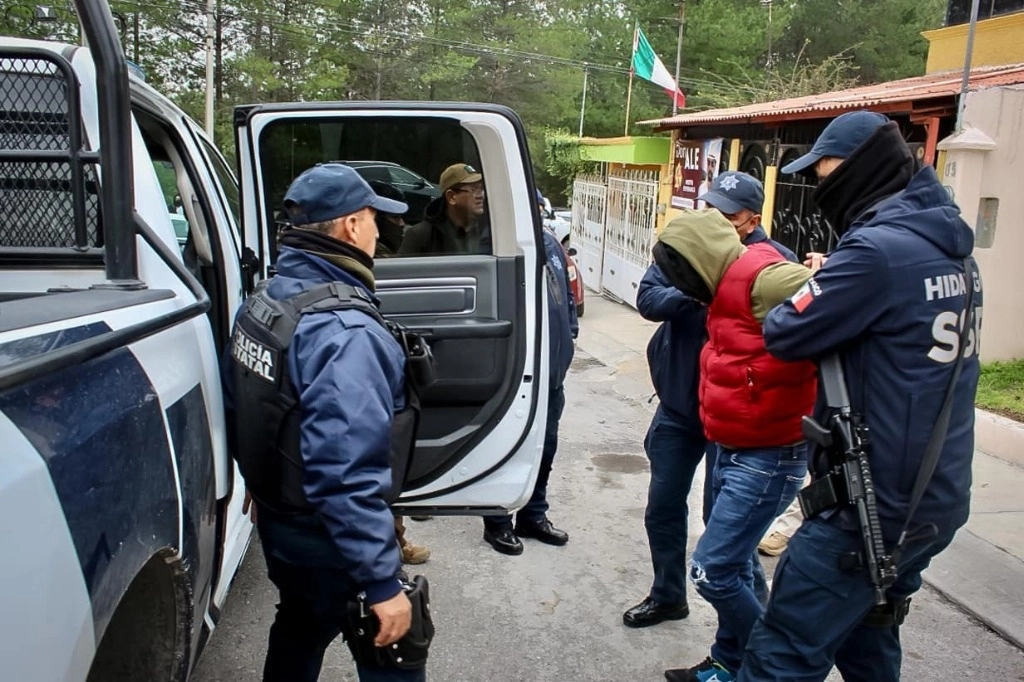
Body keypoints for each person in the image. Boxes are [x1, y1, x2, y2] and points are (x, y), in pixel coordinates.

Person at [739, 110, 981, 681]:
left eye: (822, 171)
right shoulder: (952, 251)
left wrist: (819, 285)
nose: (820, 186)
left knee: (783, 652)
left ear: (855, 168)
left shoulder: (877, 251)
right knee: (867, 634)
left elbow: (785, 330)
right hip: (934, 497)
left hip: (869, 504)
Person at [225, 163, 425, 682]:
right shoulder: (346, 331)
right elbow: (345, 472)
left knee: (299, 624)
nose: (380, 232)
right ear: (353, 226)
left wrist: (257, 478)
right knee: (396, 652)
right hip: (326, 533)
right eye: (376, 220)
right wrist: (381, 583)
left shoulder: (265, 301)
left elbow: (246, 401)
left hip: (280, 518)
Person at [653, 209, 818, 682]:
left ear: (701, 256)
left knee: (712, 571)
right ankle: (730, 663)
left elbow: (838, 294)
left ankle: (774, 667)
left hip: (769, 454)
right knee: (739, 566)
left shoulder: (763, 278)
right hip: (732, 444)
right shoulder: (723, 285)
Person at [482, 227, 579, 555]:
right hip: (517, 370)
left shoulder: (548, 240)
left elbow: (563, 288)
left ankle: (533, 515)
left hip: (551, 369)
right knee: (505, 445)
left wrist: (571, 330)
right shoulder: (496, 239)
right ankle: (497, 521)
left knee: (546, 447)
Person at [400, 162, 490, 255]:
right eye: (473, 190)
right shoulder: (420, 235)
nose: (481, 195)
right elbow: (403, 269)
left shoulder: (490, 230)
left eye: (481, 189)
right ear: (451, 197)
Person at [368, 180, 408, 258]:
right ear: (376, 220)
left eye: (400, 217)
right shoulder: (375, 256)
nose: (402, 223)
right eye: (394, 217)